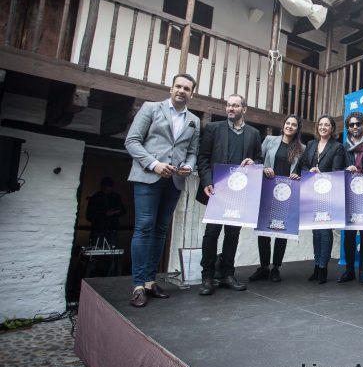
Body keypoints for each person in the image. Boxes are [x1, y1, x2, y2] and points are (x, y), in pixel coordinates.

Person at [124, 73, 200, 308]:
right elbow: (132, 141)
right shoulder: (150, 108)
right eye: (178, 86)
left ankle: (150, 282)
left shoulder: (194, 121)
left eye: (186, 88)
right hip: (148, 177)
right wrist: (154, 164)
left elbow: (192, 151)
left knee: (160, 230)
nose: (181, 91)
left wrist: (189, 166)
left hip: (175, 181)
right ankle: (137, 285)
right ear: (171, 88)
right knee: (144, 226)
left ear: (192, 93)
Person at [196, 94, 263, 296]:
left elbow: (259, 159)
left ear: (244, 109)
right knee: (211, 233)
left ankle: (227, 274)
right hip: (216, 191)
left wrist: (254, 162)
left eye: (235, 105)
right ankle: (207, 277)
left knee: (233, 234)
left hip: (240, 193)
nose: (230, 108)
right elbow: (203, 158)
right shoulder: (213, 128)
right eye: (228, 105)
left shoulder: (254, 133)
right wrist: (207, 181)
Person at [248, 115, 305, 284]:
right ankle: (264, 266)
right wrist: (264, 168)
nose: (290, 126)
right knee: (264, 230)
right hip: (267, 190)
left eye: (293, 125)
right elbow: (258, 160)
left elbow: (303, 169)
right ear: (283, 125)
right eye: (287, 123)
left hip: (287, 193)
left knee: (282, 231)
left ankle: (276, 268)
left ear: (297, 129)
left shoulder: (302, 148)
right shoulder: (270, 140)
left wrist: (298, 175)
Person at [293, 115, 345, 284]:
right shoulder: (311, 144)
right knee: (315, 231)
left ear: (332, 129)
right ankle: (316, 266)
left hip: (328, 194)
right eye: (321, 124)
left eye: (327, 125)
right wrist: (304, 171)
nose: (323, 127)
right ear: (317, 127)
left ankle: (323, 267)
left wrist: (320, 173)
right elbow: (302, 164)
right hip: (311, 192)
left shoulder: (337, 147)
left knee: (325, 231)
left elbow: (337, 171)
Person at [340, 111, 363, 285]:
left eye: (358, 124)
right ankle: (349, 270)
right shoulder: (343, 147)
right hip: (348, 196)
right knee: (348, 236)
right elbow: (336, 169)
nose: (354, 127)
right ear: (348, 127)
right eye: (351, 125)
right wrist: (345, 170)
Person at [86, 177, 126, 248]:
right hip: (98, 230)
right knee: (96, 252)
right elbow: (89, 216)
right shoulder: (95, 198)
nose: (108, 189)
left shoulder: (116, 197)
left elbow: (123, 211)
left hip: (112, 229)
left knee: (111, 252)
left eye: (110, 186)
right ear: (102, 186)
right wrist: (104, 214)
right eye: (106, 186)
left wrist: (116, 212)